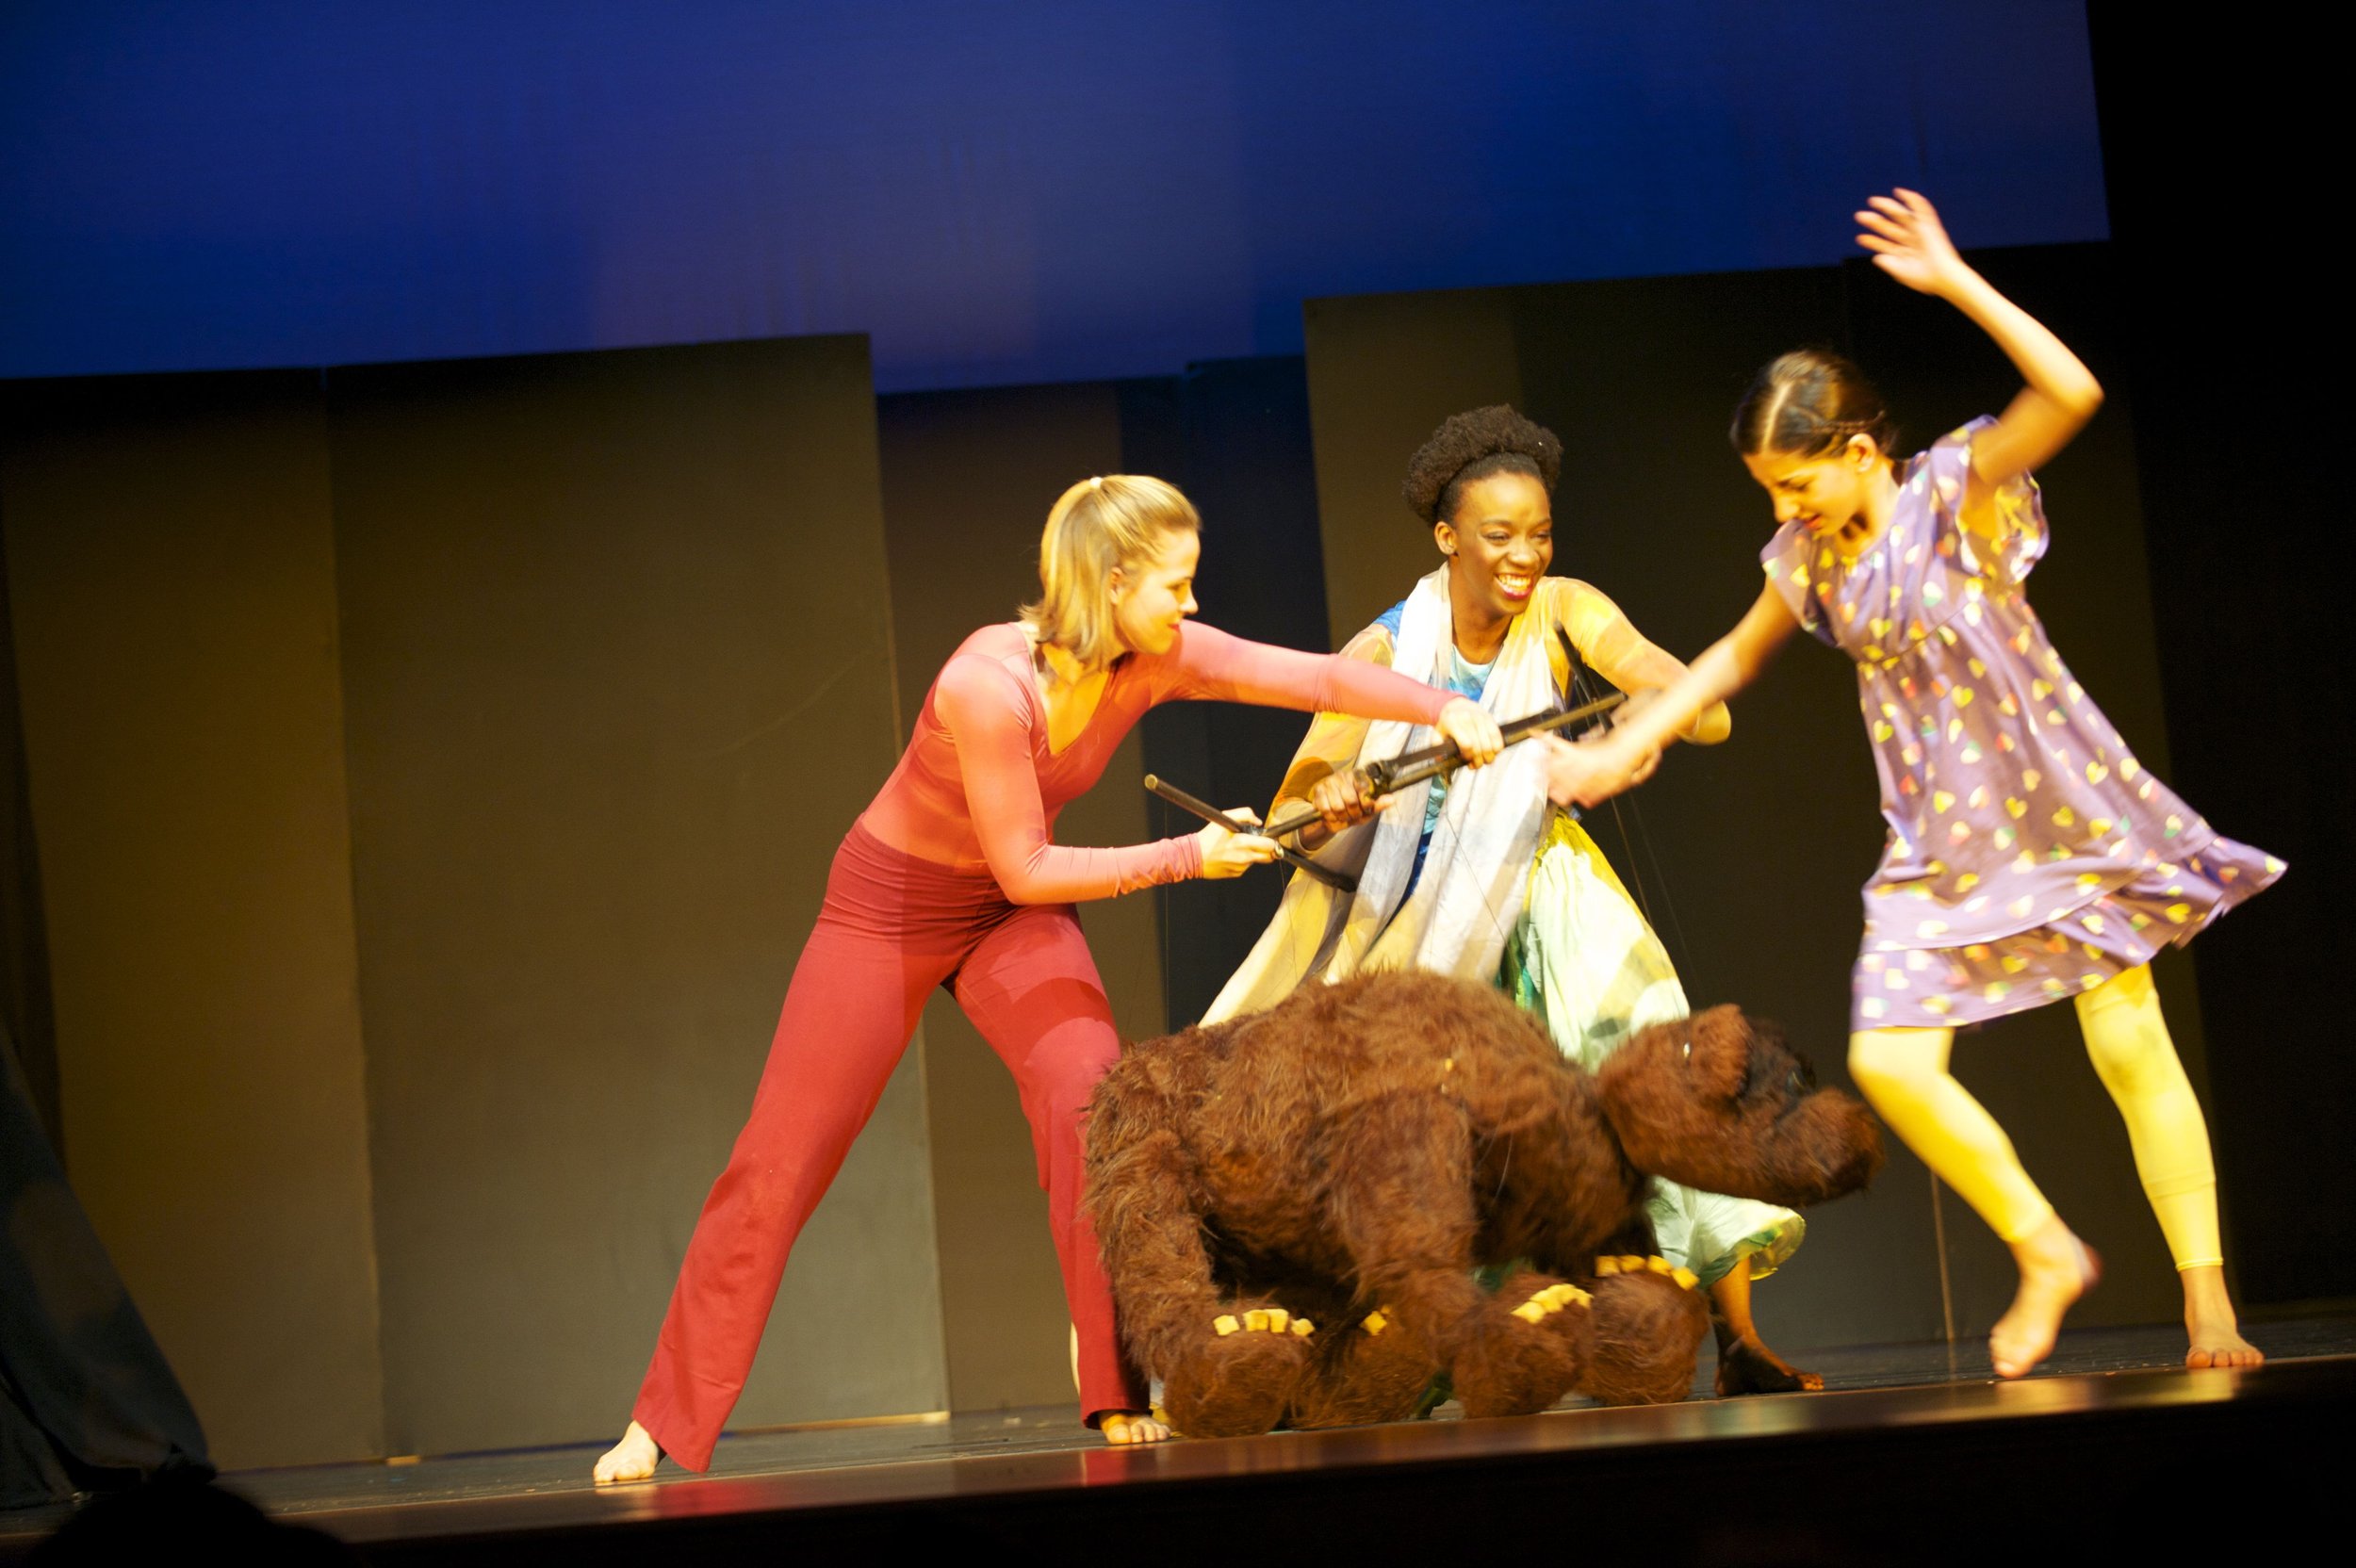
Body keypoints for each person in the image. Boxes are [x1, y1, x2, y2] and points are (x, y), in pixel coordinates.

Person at [594, 475, 1503, 1481]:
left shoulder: (1153, 656)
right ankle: (659, 1421)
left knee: (1091, 1100)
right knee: (780, 1161)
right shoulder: (987, 684)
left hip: (1006, 919)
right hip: (888, 910)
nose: (1191, 603)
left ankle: (1114, 1386)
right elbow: (1025, 864)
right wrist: (1188, 856)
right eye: (1175, 584)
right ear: (1112, 583)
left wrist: (1445, 707)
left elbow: (1313, 679)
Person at [1551, 189, 2278, 1379]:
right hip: (1937, 840)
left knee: (2129, 1038)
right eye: (1768, 493)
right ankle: (2044, 1245)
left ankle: (2208, 1307)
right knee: (1891, 1063)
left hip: (2054, 801)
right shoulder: (1809, 556)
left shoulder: (1954, 491)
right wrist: (1627, 742)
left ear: (1857, 451)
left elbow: (2071, 393)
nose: (1783, 510)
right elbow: (1732, 655)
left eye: (1796, 484)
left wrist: (1953, 280)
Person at [1206, 406, 1819, 1395]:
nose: (1525, 555)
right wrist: (1334, 797)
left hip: (1544, 879)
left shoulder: (1565, 608)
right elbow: (1292, 819)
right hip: (1422, 913)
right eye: (1500, 535)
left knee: (1655, 1056)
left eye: (1539, 533)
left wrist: (1648, 705)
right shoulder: (1381, 652)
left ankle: (1740, 1340)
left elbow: (1697, 707)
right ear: (1448, 537)